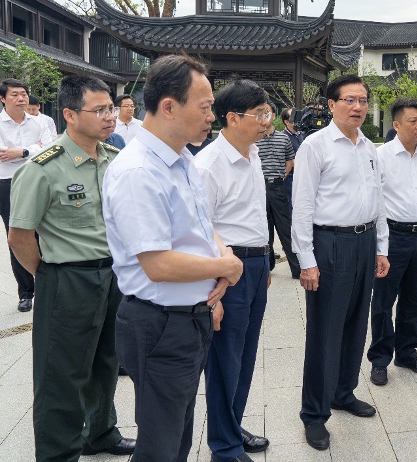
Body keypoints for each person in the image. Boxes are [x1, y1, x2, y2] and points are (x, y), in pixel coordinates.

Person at [102, 54, 243, 462]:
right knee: (160, 445)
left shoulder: (181, 158)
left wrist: (221, 255)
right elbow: (158, 265)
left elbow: (201, 224)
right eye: (205, 107)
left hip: (189, 316)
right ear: (168, 106)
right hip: (160, 324)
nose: (212, 117)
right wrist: (227, 267)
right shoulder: (138, 171)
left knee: (178, 433)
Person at [8, 75, 135, 460]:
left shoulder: (113, 159)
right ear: (69, 114)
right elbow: (19, 236)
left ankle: (100, 432)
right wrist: (50, 276)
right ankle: (58, 453)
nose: (109, 116)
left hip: (112, 275)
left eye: (110, 108)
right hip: (68, 279)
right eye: (99, 110)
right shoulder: (42, 167)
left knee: (106, 362)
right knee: (61, 375)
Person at [291, 74, 390, 451]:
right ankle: (314, 413)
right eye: (349, 100)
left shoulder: (369, 148)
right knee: (325, 330)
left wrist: (381, 248)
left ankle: (343, 392)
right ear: (331, 105)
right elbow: (302, 205)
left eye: (363, 100)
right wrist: (306, 260)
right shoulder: (315, 146)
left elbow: (378, 200)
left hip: (365, 242)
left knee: (355, 323)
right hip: (330, 243)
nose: (358, 107)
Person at [195, 80, 272, 462]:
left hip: (255, 263)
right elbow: (200, 231)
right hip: (226, 272)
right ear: (232, 118)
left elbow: (254, 213)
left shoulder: (253, 154)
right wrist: (212, 294)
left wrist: (265, 259)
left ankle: (232, 427)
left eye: (268, 112)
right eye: (259, 114)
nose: (267, 121)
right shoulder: (208, 165)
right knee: (225, 360)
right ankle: (223, 448)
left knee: (244, 355)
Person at [367, 98, 417, 387]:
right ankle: (380, 359)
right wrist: (379, 245)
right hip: (392, 236)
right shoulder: (381, 156)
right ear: (397, 125)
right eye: (413, 121)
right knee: (384, 300)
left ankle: (407, 352)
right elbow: (374, 201)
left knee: (415, 297)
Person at [0, 78, 51, 311]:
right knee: (17, 235)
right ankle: (26, 292)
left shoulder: (41, 122)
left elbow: (50, 149)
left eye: (24, 94)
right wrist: (33, 150)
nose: (21, 98)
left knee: (43, 233)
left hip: (38, 180)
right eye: (15, 94)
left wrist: (21, 152)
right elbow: (2, 154)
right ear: (3, 98)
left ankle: (46, 284)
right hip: (7, 183)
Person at [258, 104, 299, 276]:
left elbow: (290, 159)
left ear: (273, 115)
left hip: (277, 186)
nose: (264, 115)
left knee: (285, 227)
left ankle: (297, 268)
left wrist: (282, 174)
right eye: (261, 112)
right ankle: (267, 266)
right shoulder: (254, 137)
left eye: (267, 112)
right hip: (260, 188)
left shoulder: (283, 138)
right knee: (264, 229)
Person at [280, 106, 304, 203]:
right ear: (286, 121)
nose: (297, 119)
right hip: (289, 178)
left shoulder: (302, 134)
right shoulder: (283, 137)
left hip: (301, 176)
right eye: (293, 116)